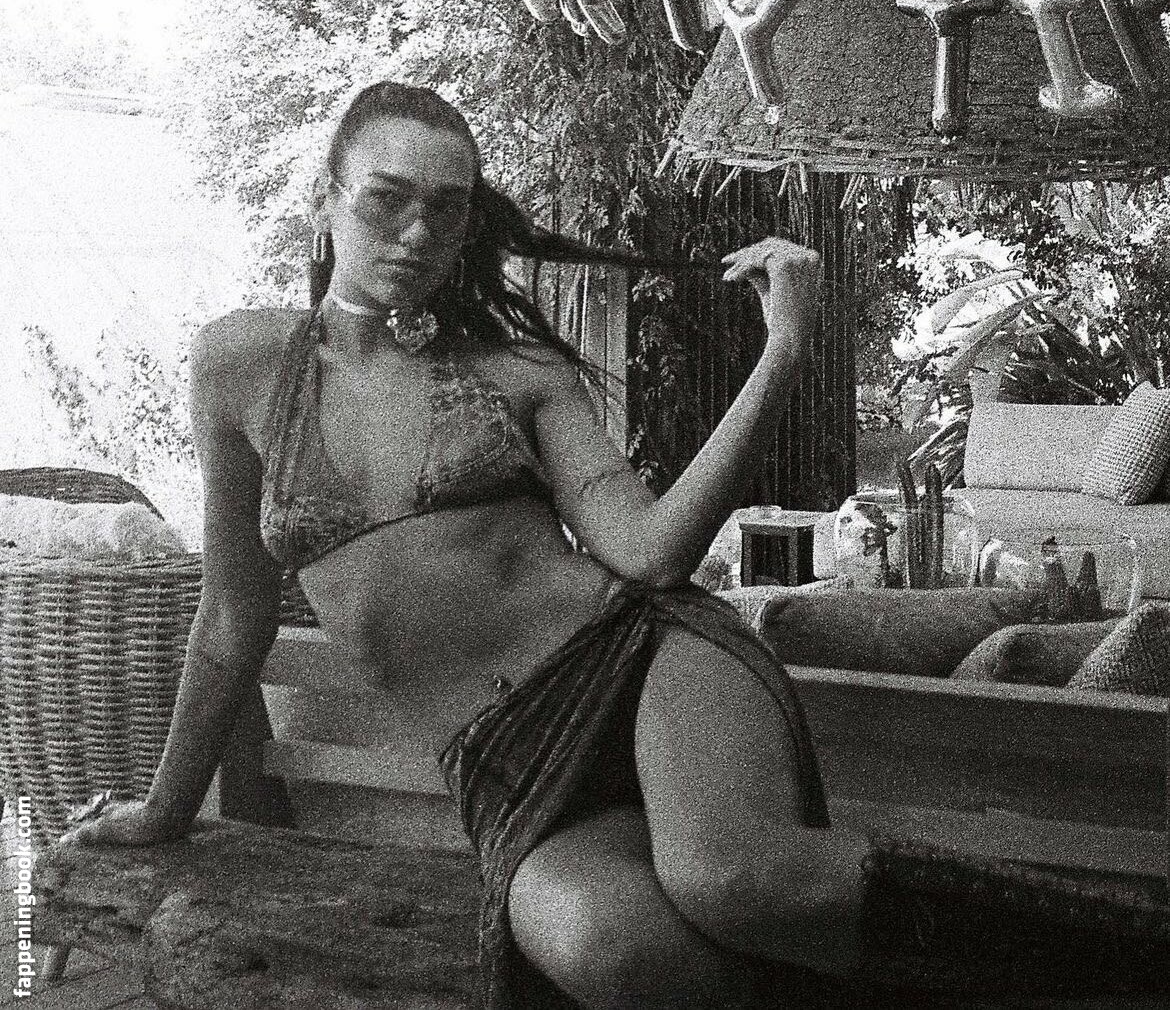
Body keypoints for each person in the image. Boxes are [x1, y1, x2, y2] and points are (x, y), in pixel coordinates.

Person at [62, 82, 1169, 1010]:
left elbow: (648, 554)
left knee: (732, 874)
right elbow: (233, 614)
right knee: (613, 951)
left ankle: (1134, 951)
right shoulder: (244, 364)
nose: (416, 233)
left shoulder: (517, 374)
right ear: (327, 198)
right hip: (505, 763)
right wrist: (164, 809)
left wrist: (783, 351)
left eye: (446, 209)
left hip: (639, 657)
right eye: (386, 199)